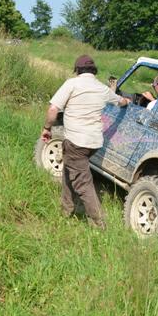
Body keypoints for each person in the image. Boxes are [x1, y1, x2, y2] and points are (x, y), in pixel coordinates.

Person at [41, 54, 130, 228]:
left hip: (76, 141)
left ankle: (98, 222)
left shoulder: (72, 84)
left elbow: (53, 109)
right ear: (93, 71)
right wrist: (128, 101)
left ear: (77, 70)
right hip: (94, 143)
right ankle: (66, 209)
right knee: (69, 168)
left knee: (83, 181)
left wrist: (47, 128)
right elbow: (120, 101)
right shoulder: (102, 88)